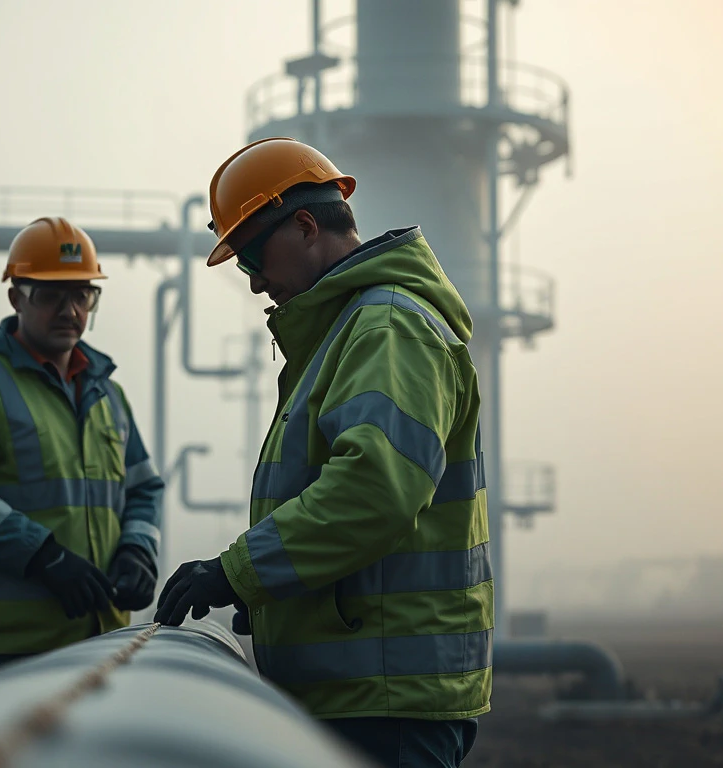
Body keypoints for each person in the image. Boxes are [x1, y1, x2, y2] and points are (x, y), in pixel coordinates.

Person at [154, 138, 490, 767]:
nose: (254, 282)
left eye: (253, 256)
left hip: (385, 701)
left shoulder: (388, 328)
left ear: (306, 226)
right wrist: (279, 595)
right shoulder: (349, 335)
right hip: (363, 691)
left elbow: (373, 491)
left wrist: (238, 573)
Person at [0, 216, 164, 684]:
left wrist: (137, 550)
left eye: (82, 295)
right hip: (3, 654)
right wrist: (42, 556)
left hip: (101, 644)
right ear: (16, 297)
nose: (70, 310)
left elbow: (144, 488)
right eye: (50, 295)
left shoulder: (108, 397)